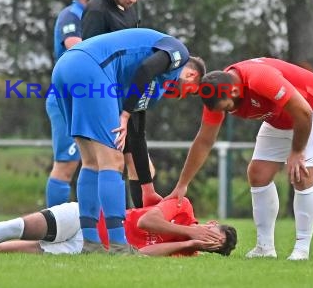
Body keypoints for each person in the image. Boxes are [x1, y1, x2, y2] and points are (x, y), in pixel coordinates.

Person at [166, 57, 313, 261]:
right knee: (257, 174)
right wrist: (182, 184)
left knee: (301, 175)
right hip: (279, 117)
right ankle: (265, 248)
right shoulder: (213, 92)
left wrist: (297, 151)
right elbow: (204, 141)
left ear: (236, 92)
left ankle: (302, 248)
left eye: (227, 108)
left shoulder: (261, 78)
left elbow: (303, 112)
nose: (226, 113)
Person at [51, 28, 206, 254]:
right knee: (113, 162)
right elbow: (146, 68)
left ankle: (91, 243)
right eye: (193, 92)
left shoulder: (147, 83)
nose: (184, 95)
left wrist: (147, 187)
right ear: (192, 76)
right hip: (91, 68)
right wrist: (124, 115)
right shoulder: (179, 54)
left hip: (66, 67)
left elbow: (137, 134)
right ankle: (118, 244)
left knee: (92, 161)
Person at [0, 198, 237, 257]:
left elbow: (141, 253)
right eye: (211, 233)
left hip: (87, 247)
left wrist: (186, 246)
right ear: (210, 224)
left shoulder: (185, 252)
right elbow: (148, 220)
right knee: (18, 227)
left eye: (212, 244)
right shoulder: (184, 209)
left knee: (3, 251)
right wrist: (190, 232)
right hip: (87, 218)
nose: (206, 238)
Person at [82, 0, 156, 209]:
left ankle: (138, 224)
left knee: (142, 166)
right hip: (106, 98)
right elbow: (89, 62)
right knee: (111, 164)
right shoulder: (97, 12)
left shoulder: (130, 6)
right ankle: (110, 226)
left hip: (128, 95)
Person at [45, 0, 107, 207]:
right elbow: (76, 50)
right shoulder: (71, 16)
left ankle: (95, 225)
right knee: (66, 165)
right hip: (67, 99)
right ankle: (53, 230)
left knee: (103, 163)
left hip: (90, 99)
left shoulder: (98, 16)